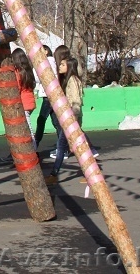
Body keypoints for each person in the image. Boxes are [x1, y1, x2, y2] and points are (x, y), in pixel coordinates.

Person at [46, 57, 84, 185]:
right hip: (70, 118)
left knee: (61, 146)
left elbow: (76, 101)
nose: (60, 66)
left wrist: (74, 119)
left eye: (62, 64)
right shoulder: (70, 80)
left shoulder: (73, 80)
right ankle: (90, 173)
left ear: (69, 66)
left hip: (71, 119)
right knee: (78, 147)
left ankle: (54, 174)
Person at [33, 45, 59, 149]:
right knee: (56, 121)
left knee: (41, 119)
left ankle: (36, 143)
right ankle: (63, 145)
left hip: (49, 95)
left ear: (46, 51)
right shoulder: (52, 62)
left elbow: (38, 77)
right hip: (50, 94)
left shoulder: (47, 62)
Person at [11, 48, 37, 146]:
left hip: (23, 103)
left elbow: (17, 87)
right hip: (30, 102)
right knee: (27, 127)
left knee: (28, 129)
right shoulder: (28, 70)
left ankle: (33, 149)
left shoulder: (18, 72)